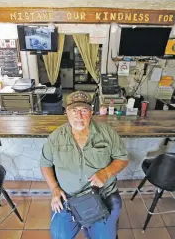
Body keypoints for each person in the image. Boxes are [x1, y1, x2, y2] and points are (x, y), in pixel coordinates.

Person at [40, 91, 129, 239]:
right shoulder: (55, 137)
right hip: (68, 198)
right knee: (59, 236)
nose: (79, 116)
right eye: (73, 111)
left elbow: (123, 159)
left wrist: (106, 173)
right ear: (66, 112)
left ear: (91, 111)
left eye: (83, 111)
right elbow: (45, 164)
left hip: (103, 196)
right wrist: (54, 188)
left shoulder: (106, 132)